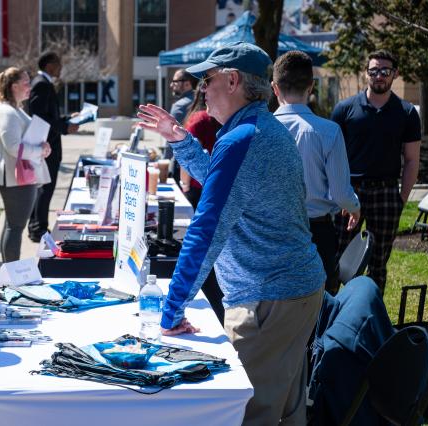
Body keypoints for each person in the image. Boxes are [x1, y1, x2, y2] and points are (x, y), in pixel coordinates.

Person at [137, 42, 325, 424]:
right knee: (285, 412)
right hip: (289, 292)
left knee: (244, 414)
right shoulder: (256, 129)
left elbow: (206, 229)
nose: (201, 89)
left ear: (233, 80)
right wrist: (181, 141)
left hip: (269, 300)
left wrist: (172, 310)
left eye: (207, 80)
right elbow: (227, 187)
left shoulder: (243, 139)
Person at [331, 50, 421, 293]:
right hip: (350, 193)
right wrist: (338, 192)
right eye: (373, 71)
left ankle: (370, 319)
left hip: (386, 193)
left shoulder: (406, 113)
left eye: (385, 71)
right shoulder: (344, 109)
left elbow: (412, 160)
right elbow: (332, 156)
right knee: (338, 259)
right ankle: (332, 318)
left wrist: (400, 198)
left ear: (395, 74)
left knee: (378, 264)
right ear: (366, 73)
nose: (379, 76)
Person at [272, 50, 361, 294]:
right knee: (319, 306)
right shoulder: (329, 131)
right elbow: (341, 193)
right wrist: (354, 206)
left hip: (271, 231)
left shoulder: (258, 130)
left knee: (277, 303)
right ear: (311, 87)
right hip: (317, 232)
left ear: (275, 88)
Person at [0, 68, 52, 261]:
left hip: (17, 175)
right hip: (15, 177)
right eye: (26, 83)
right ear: (13, 86)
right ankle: (12, 275)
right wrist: (40, 150)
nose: (29, 87)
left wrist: (42, 146)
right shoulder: (7, 111)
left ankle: (9, 272)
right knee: (15, 227)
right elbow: (14, 147)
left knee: (12, 225)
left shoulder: (12, 109)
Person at [26, 52, 79, 242]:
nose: (61, 67)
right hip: (46, 147)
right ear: (49, 65)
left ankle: (37, 226)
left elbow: (48, 116)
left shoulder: (44, 83)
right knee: (44, 188)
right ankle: (38, 228)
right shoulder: (41, 83)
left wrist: (66, 120)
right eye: (58, 63)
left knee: (43, 188)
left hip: (47, 145)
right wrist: (64, 126)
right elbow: (38, 116)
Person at [179, 88, 221, 209]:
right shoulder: (224, 117)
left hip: (196, 185)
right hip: (216, 183)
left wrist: (185, 184)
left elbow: (188, 153)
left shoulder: (198, 119)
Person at [164, 69, 197, 160]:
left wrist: (166, 161)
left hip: (181, 162)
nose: (171, 85)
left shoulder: (179, 106)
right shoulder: (204, 101)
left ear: (187, 84)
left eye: (175, 82)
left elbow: (171, 137)